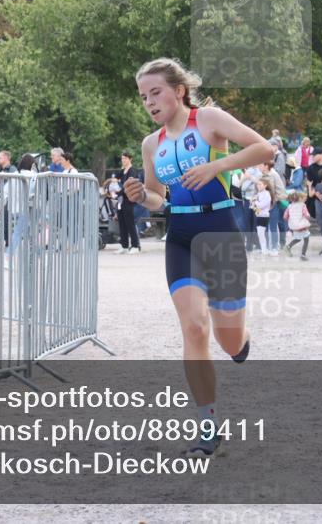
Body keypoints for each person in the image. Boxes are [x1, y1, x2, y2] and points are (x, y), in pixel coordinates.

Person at [122, 57, 274, 456]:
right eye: (143, 97)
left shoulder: (208, 120)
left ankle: (240, 341)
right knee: (193, 327)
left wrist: (217, 166)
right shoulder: (151, 144)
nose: (150, 102)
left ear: (179, 90)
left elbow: (263, 148)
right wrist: (143, 197)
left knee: (228, 342)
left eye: (156, 92)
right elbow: (159, 198)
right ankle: (207, 424)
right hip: (182, 236)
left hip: (220, 231)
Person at [116, 151, 142, 254]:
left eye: (125, 158)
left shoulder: (133, 170)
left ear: (130, 159)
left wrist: (119, 190)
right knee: (122, 223)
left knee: (130, 223)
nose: (123, 160)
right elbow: (114, 180)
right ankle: (124, 246)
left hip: (129, 200)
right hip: (120, 200)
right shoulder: (122, 171)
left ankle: (135, 245)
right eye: (122, 158)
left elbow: (130, 184)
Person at [258, 160, 287, 252]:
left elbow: (281, 191)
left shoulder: (274, 175)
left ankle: (274, 247)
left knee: (273, 226)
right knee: (264, 227)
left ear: (266, 166)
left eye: (260, 164)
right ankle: (265, 247)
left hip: (273, 205)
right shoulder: (260, 176)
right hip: (263, 207)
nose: (258, 166)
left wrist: (275, 200)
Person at [284, 191, 312, 260]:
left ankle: (288, 246)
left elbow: (285, 216)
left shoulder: (289, 206)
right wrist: (308, 218)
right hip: (302, 226)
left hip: (294, 226)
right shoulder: (302, 205)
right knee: (306, 239)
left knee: (298, 238)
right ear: (300, 198)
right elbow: (306, 215)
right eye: (304, 198)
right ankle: (303, 255)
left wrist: (291, 220)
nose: (305, 199)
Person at [250, 177, 274, 255]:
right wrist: (253, 203)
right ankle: (263, 249)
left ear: (265, 185)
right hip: (258, 215)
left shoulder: (267, 194)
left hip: (264, 216)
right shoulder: (258, 194)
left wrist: (255, 202)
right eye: (257, 184)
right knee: (260, 233)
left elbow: (262, 205)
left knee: (261, 233)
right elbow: (252, 205)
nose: (258, 186)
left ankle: (265, 249)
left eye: (260, 184)